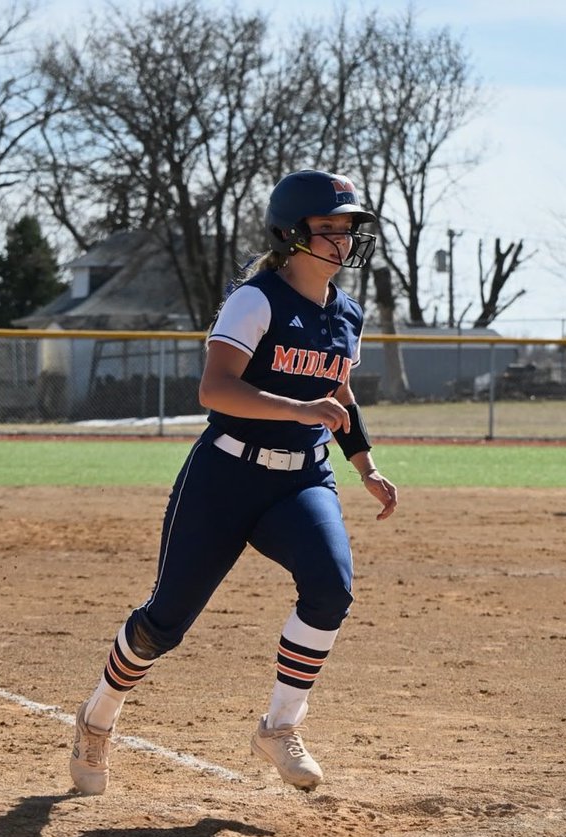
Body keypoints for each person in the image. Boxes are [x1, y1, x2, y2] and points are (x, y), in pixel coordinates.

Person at [69, 169, 398, 796]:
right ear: (292, 233)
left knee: (330, 589)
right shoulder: (258, 299)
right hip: (225, 474)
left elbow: (340, 396)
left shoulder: (347, 313)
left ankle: (280, 726)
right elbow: (215, 388)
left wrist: (366, 467)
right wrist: (300, 410)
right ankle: (99, 713)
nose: (343, 239)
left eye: (348, 227)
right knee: (165, 622)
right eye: (328, 227)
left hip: (301, 478)